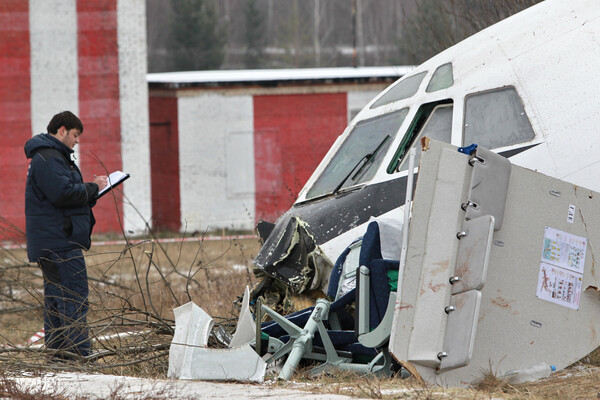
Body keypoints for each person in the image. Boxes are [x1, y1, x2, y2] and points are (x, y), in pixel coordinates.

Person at [24, 111, 108, 360]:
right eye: (75, 134)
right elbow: (63, 194)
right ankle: (79, 357)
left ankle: (58, 358)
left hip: (55, 241)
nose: (77, 140)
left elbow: (64, 196)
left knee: (57, 302)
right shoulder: (49, 158)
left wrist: (91, 191)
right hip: (60, 243)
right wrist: (94, 187)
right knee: (73, 299)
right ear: (62, 130)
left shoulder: (51, 156)